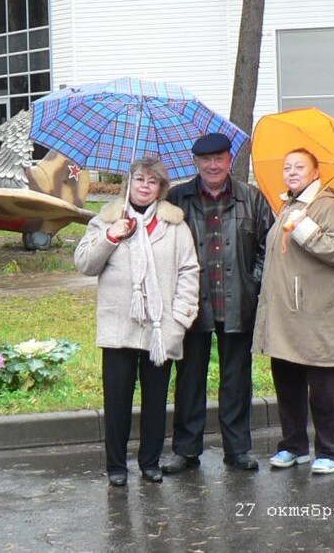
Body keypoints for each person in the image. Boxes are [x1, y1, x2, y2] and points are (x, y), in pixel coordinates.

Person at [74, 156, 200, 487]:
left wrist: (180, 316)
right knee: (117, 400)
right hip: (119, 326)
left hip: (160, 327)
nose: (145, 186)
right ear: (127, 183)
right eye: (139, 179)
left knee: (156, 401)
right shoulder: (106, 219)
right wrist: (111, 236)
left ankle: (149, 462)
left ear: (161, 189)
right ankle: (116, 465)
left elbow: (189, 270)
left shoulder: (175, 226)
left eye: (152, 181)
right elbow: (85, 263)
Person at [162, 133, 273, 473]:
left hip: (237, 299)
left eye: (219, 158)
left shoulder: (252, 199)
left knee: (236, 379)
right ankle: (186, 449)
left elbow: (267, 248)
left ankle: (237, 449)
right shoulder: (177, 198)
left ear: (229, 160)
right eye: (205, 159)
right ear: (196, 162)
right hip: (191, 302)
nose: (212, 165)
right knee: (189, 378)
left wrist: (252, 282)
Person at [252, 148, 334, 475]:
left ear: (314, 172)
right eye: (287, 167)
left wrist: (304, 228)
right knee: (288, 383)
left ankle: (331, 451)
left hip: (317, 313)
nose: (292, 172)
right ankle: (294, 446)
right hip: (287, 313)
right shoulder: (290, 204)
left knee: (325, 384)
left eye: (299, 167)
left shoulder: (327, 205)